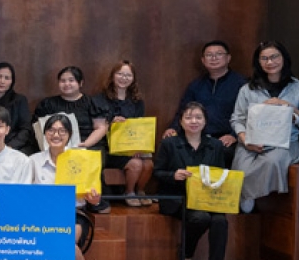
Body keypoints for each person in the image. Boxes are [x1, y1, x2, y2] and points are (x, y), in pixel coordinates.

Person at [231, 41, 299, 213]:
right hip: (251, 140)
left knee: (273, 161)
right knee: (241, 169)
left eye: (274, 57)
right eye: (264, 58)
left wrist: (291, 108)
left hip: (285, 143)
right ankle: (248, 194)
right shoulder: (247, 89)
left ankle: (245, 195)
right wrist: (245, 139)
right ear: (258, 62)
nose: (270, 62)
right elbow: (237, 119)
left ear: (284, 58)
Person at [153, 102, 230, 260]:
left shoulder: (216, 145)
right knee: (200, 218)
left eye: (198, 117)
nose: (193, 121)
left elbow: (221, 174)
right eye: (188, 117)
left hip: (208, 199)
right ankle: (186, 254)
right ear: (181, 121)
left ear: (205, 121)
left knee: (220, 221)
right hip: (178, 198)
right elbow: (157, 172)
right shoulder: (170, 144)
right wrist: (173, 175)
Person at [29, 114, 103, 260]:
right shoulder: (33, 161)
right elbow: (26, 194)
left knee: (65, 239)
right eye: (51, 130)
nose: (56, 135)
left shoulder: (81, 157)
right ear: (45, 133)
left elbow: (95, 200)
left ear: (70, 134)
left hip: (74, 213)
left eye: (62, 131)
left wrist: (93, 198)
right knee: (55, 237)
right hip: (43, 216)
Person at [32, 66, 110, 213]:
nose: (66, 84)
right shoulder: (48, 103)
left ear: (80, 83)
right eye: (63, 81)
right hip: (55, 143)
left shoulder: (92, 102)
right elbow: (40, 127)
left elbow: (101, 128)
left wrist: (85, 144)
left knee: (89, 157)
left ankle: (92, 201)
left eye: (71, 80)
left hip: (87, 142)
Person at [163, 40, 246, 161]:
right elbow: (183, 111)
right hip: (197, 135)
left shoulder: (241, 84)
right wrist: (173, 128)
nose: (214, 58)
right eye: (209, 55)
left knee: (220, 152)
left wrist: (234, 135)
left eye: (219, 54)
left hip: (226, 137)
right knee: (170, 146)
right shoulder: (196, 85)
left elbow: (247, 115)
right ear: (203, 60)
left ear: (228, 58)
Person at [94, 61, 153, 206]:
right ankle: (129, 192)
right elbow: (96, 126)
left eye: (128, 75)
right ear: (113, 75)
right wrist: (111, 123)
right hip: (109, 149)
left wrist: (138, 148)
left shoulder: (137, 102)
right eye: (120, 74)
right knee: (136, 164)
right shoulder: (100, 99)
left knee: (148, 164)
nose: (124, 78)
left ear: (133, 79)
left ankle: (140, 191)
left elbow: (140, 127)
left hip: (131, 146)